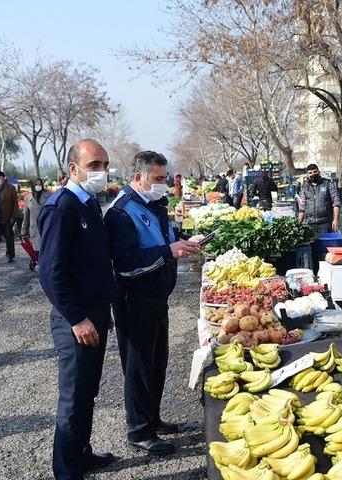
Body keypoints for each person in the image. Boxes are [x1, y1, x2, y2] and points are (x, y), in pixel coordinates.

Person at [105, 151, 203, 456]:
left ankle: (153, 418)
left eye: (165, 178)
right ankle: (138, 430)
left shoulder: (155, 205)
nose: (163, 184)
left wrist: (186, 241)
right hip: (134, 300)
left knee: (157, 362)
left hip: (158, 297)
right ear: (139, 178)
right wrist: (169, 252)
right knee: (138, 366)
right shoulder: (120, 212)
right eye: (158, 179)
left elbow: (166, 238)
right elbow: (127, 263)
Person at [37, 139, 117, 479]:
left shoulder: (89, 204)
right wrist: (78, 317)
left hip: (94, 313)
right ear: (74, 169)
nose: (101, 171)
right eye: (94, 165)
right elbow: (51, 273)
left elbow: (94, 264)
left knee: (89, 391)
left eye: (104, 164)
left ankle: (81, 454)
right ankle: (67, 472)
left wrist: (103, 310)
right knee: (72, 399)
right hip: (76, 320)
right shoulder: (62, 207)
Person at [299, 163, 341, 233]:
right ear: (307, 175)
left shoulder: (328, 184)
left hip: (325, 223)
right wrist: (298, 223)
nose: (313, 174)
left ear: (319, 172)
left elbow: (336, 203)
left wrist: (336, 219)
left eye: (315, 171)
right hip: (310, 223)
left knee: (325, 243)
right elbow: (302, 207)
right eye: (310, 173)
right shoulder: (305, 187)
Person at [21, 178, 52, 253]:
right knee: (37, 252)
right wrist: (24, 232)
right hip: (34, 229)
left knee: (47, 250)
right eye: (36, 184)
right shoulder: (28, 198)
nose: (38, 186)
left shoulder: (50, 195)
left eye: (40, 184)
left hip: (47, 227)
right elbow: (26, 217)